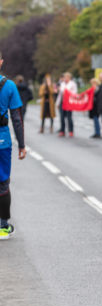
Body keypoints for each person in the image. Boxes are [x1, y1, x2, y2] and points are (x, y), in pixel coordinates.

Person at [0, 51, 26, 239]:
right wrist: (22, 145)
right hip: (2, 142)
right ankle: (3, 227)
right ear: (1, 62)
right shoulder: (9, 86)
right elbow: (17, 118)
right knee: (2, 184)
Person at [56, 72, 77, 137]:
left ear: (69, 78)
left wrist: (65, 91)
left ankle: (71, 131)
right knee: (62, 117)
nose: (65, 78)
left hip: (69, 103)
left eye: (66, 77)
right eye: (64, 77)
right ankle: (62, 131)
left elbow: (74, 93)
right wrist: (57, 103)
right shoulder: (62, 84)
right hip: (62, 102)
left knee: (69, 117)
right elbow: (60, 94)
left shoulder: (73, 84)